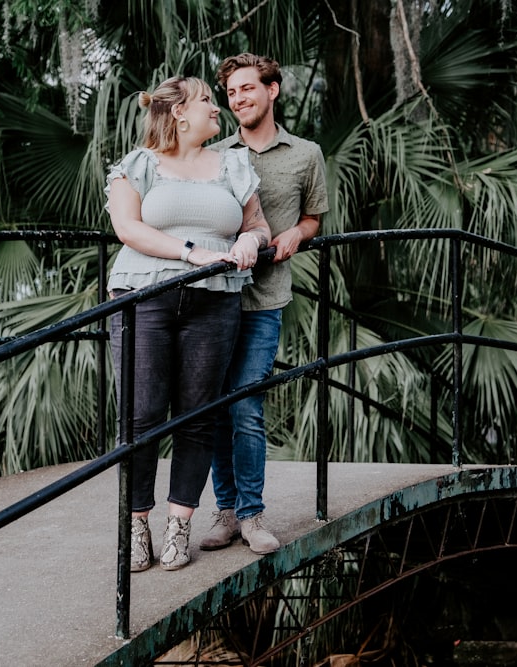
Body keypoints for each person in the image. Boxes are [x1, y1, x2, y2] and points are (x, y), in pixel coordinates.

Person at [104, 75, 271, 572]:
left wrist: (251, 242)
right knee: (141, 416)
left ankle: (180, 526)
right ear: (178, 113)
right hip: (143, 297)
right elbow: (127, 228)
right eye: (207, 102)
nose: (218, 110)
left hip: (216, 301)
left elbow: (257, 224)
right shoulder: (138, 165)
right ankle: (136, 527)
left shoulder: (233, 164)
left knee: (199, 416)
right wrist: (191, 252)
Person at [201, 54, 329, 554]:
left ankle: (253, 517)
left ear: (272, 91)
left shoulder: (305, 154)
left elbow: (315, 217)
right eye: (231, 93)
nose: (238, 100)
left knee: (247, 405)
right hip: (213, 299)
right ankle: (226, 513)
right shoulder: (214, 154)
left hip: (265, 299)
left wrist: (297, 231)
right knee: (214, 407)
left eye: (248, 89)